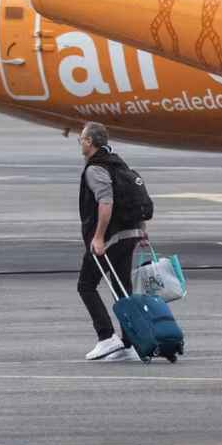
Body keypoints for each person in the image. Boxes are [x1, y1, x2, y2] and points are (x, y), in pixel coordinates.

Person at [76, 123, 146, 363]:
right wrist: (141, 231)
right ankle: (131, 343)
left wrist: (98, 237)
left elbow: (106, 203)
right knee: (121, 289)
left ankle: (106, 337)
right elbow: (133, 198)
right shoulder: (118, 163)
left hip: (111, 238)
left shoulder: (96, 169)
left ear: (89, 142)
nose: (80, 143)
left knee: (86, 285)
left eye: (81, 139)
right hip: (131, 233)